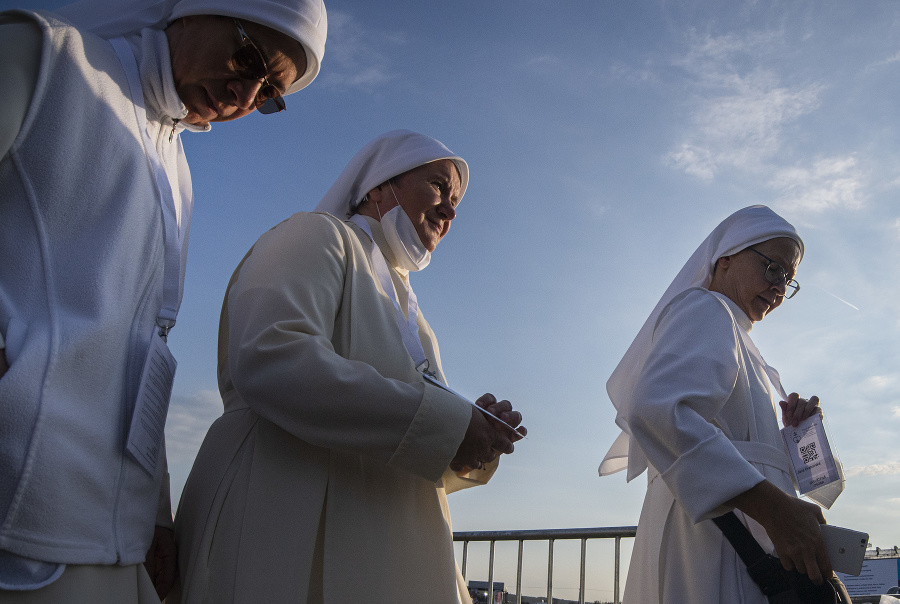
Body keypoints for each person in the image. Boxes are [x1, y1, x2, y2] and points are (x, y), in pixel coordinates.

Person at [0, 0, 326, 601]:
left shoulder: (176, 167)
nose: (244, 93)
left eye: (271, 93)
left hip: (111, 532)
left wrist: (153, 513)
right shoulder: (45, 55)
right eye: (248, 56)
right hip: (20, 515)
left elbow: (142, 351)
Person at [172, 130, 526, 604]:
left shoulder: (413, 316)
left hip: (386, 549)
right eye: (439, 187)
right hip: (284, 524)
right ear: (378, 186)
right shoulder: (316, 234)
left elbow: (410, 438)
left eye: (456, 201)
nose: (450, 211)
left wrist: (474, 438)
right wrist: (447, 423)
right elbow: (273, 356)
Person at [598, 205, 837, 603]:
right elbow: (659, 410)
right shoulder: (705, 308)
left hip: (740, 537)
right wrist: (775, 511)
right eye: (773, 269)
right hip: (717, 541)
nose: (779, 287)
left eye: (789, 280)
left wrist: (793, 438)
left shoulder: (748, 348)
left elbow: (747, 450)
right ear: (726, 258)